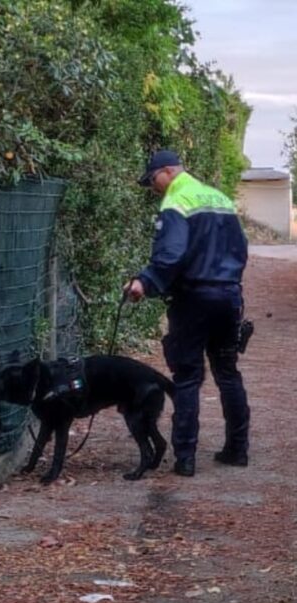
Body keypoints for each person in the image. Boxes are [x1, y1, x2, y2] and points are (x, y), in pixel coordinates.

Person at [125, 149, 250, 477]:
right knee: (227, 372)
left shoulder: (176, 201)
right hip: (228, 297)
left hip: (193, 299)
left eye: (153, 180)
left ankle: (185, 458)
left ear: (167, 172)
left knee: (187, 377)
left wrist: (145, 282)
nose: (154, 187)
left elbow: (171, 254)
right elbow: (241, 248)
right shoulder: (218, 198)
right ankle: (238, 449)